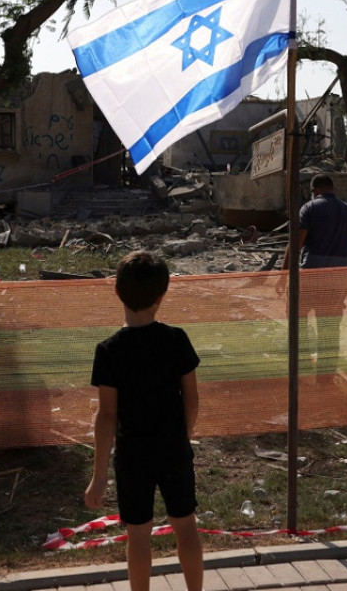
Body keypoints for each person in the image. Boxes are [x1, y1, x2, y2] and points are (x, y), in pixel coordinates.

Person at [85, 250, 203, 591]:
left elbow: (107, 415)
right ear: (162, 295)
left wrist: (98, 476)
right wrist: (183, 435)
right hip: (173, 449)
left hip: (132, 457)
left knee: (137, 535)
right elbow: (192, 399)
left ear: (117, 292)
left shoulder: (108, 351)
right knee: (186, 526)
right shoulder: (177, 339)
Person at [285, 174, 347, 373]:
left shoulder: (309, 208)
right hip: (337, 281)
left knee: (298, 322)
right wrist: (345, 273)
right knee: (329, 329)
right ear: (332, 188)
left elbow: (297, 244)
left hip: (310, 277)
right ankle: (326, 378)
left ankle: (301, 370)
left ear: (315, 190)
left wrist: (284, 275)